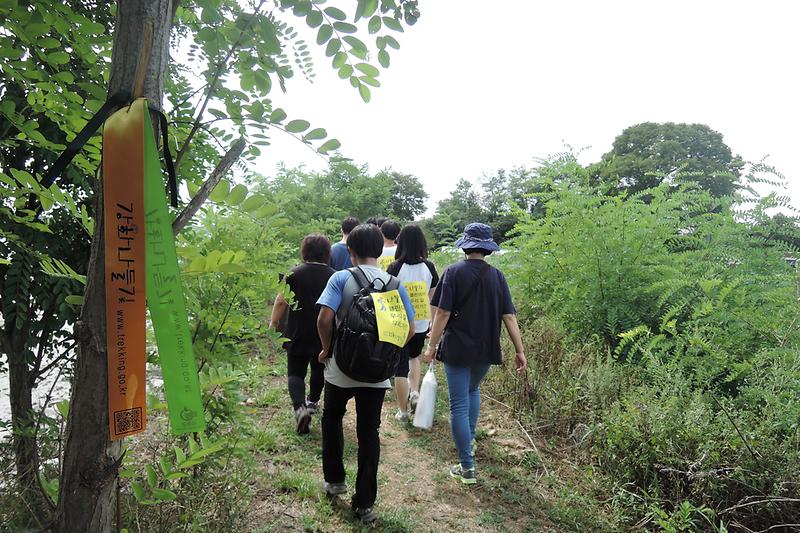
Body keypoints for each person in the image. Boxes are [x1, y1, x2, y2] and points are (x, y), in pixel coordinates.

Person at [316, 223, 415, 523]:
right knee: (368, 432)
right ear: (381, 250)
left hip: (340, 369)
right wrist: (385, 351)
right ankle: (364, 503)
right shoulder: (394, 284)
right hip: (376, 374)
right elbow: (409, 329)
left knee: (332, 418)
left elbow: (324, 318)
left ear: (350, 251)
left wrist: (327, 348)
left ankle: (335, 481)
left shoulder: (341, 278)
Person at [422, 223, 527, 485]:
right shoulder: (497, 276)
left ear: (466, 245)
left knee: (458, 404)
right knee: (472, 391)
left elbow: (442, 313)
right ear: (487, 248)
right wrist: (519, 350)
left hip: (457, 348)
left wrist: (432, 346)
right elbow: (510, 316)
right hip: (485, 348)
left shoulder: (453, 273)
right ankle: (468, 444)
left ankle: (467, 465)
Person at [269, 234, 336, 435]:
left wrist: (273, 324)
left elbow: (281, 301)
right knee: (318, 369)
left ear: (304, 251)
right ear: (327, 253)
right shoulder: (334, 275)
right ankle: (313, 402)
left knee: (295, 372)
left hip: (296, 330)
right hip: (323, 332)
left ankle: (299, 408)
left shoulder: (291, 274)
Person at [386, 224, 439, 422]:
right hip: (421, 322)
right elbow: (433, 298)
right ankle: (415, 392)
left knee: (400, 365)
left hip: (399, 323)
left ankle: (403, 412)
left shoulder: (395, 267)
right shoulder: (429, 267)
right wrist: (432, 325)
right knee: (414, 358)